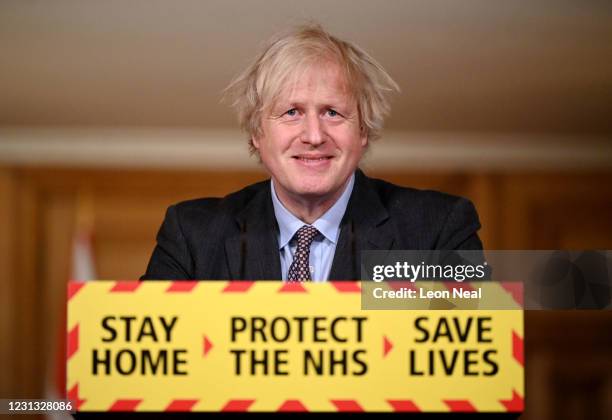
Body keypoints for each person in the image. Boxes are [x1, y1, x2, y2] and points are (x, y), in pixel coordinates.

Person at [141, 24, 483, 282]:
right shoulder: (192, 237)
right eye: (291, 112)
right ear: (258, 133)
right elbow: (149, 365)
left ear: (362, 130)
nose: (315, 136)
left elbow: (467, 365)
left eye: (333, 112)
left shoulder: (438, 230)